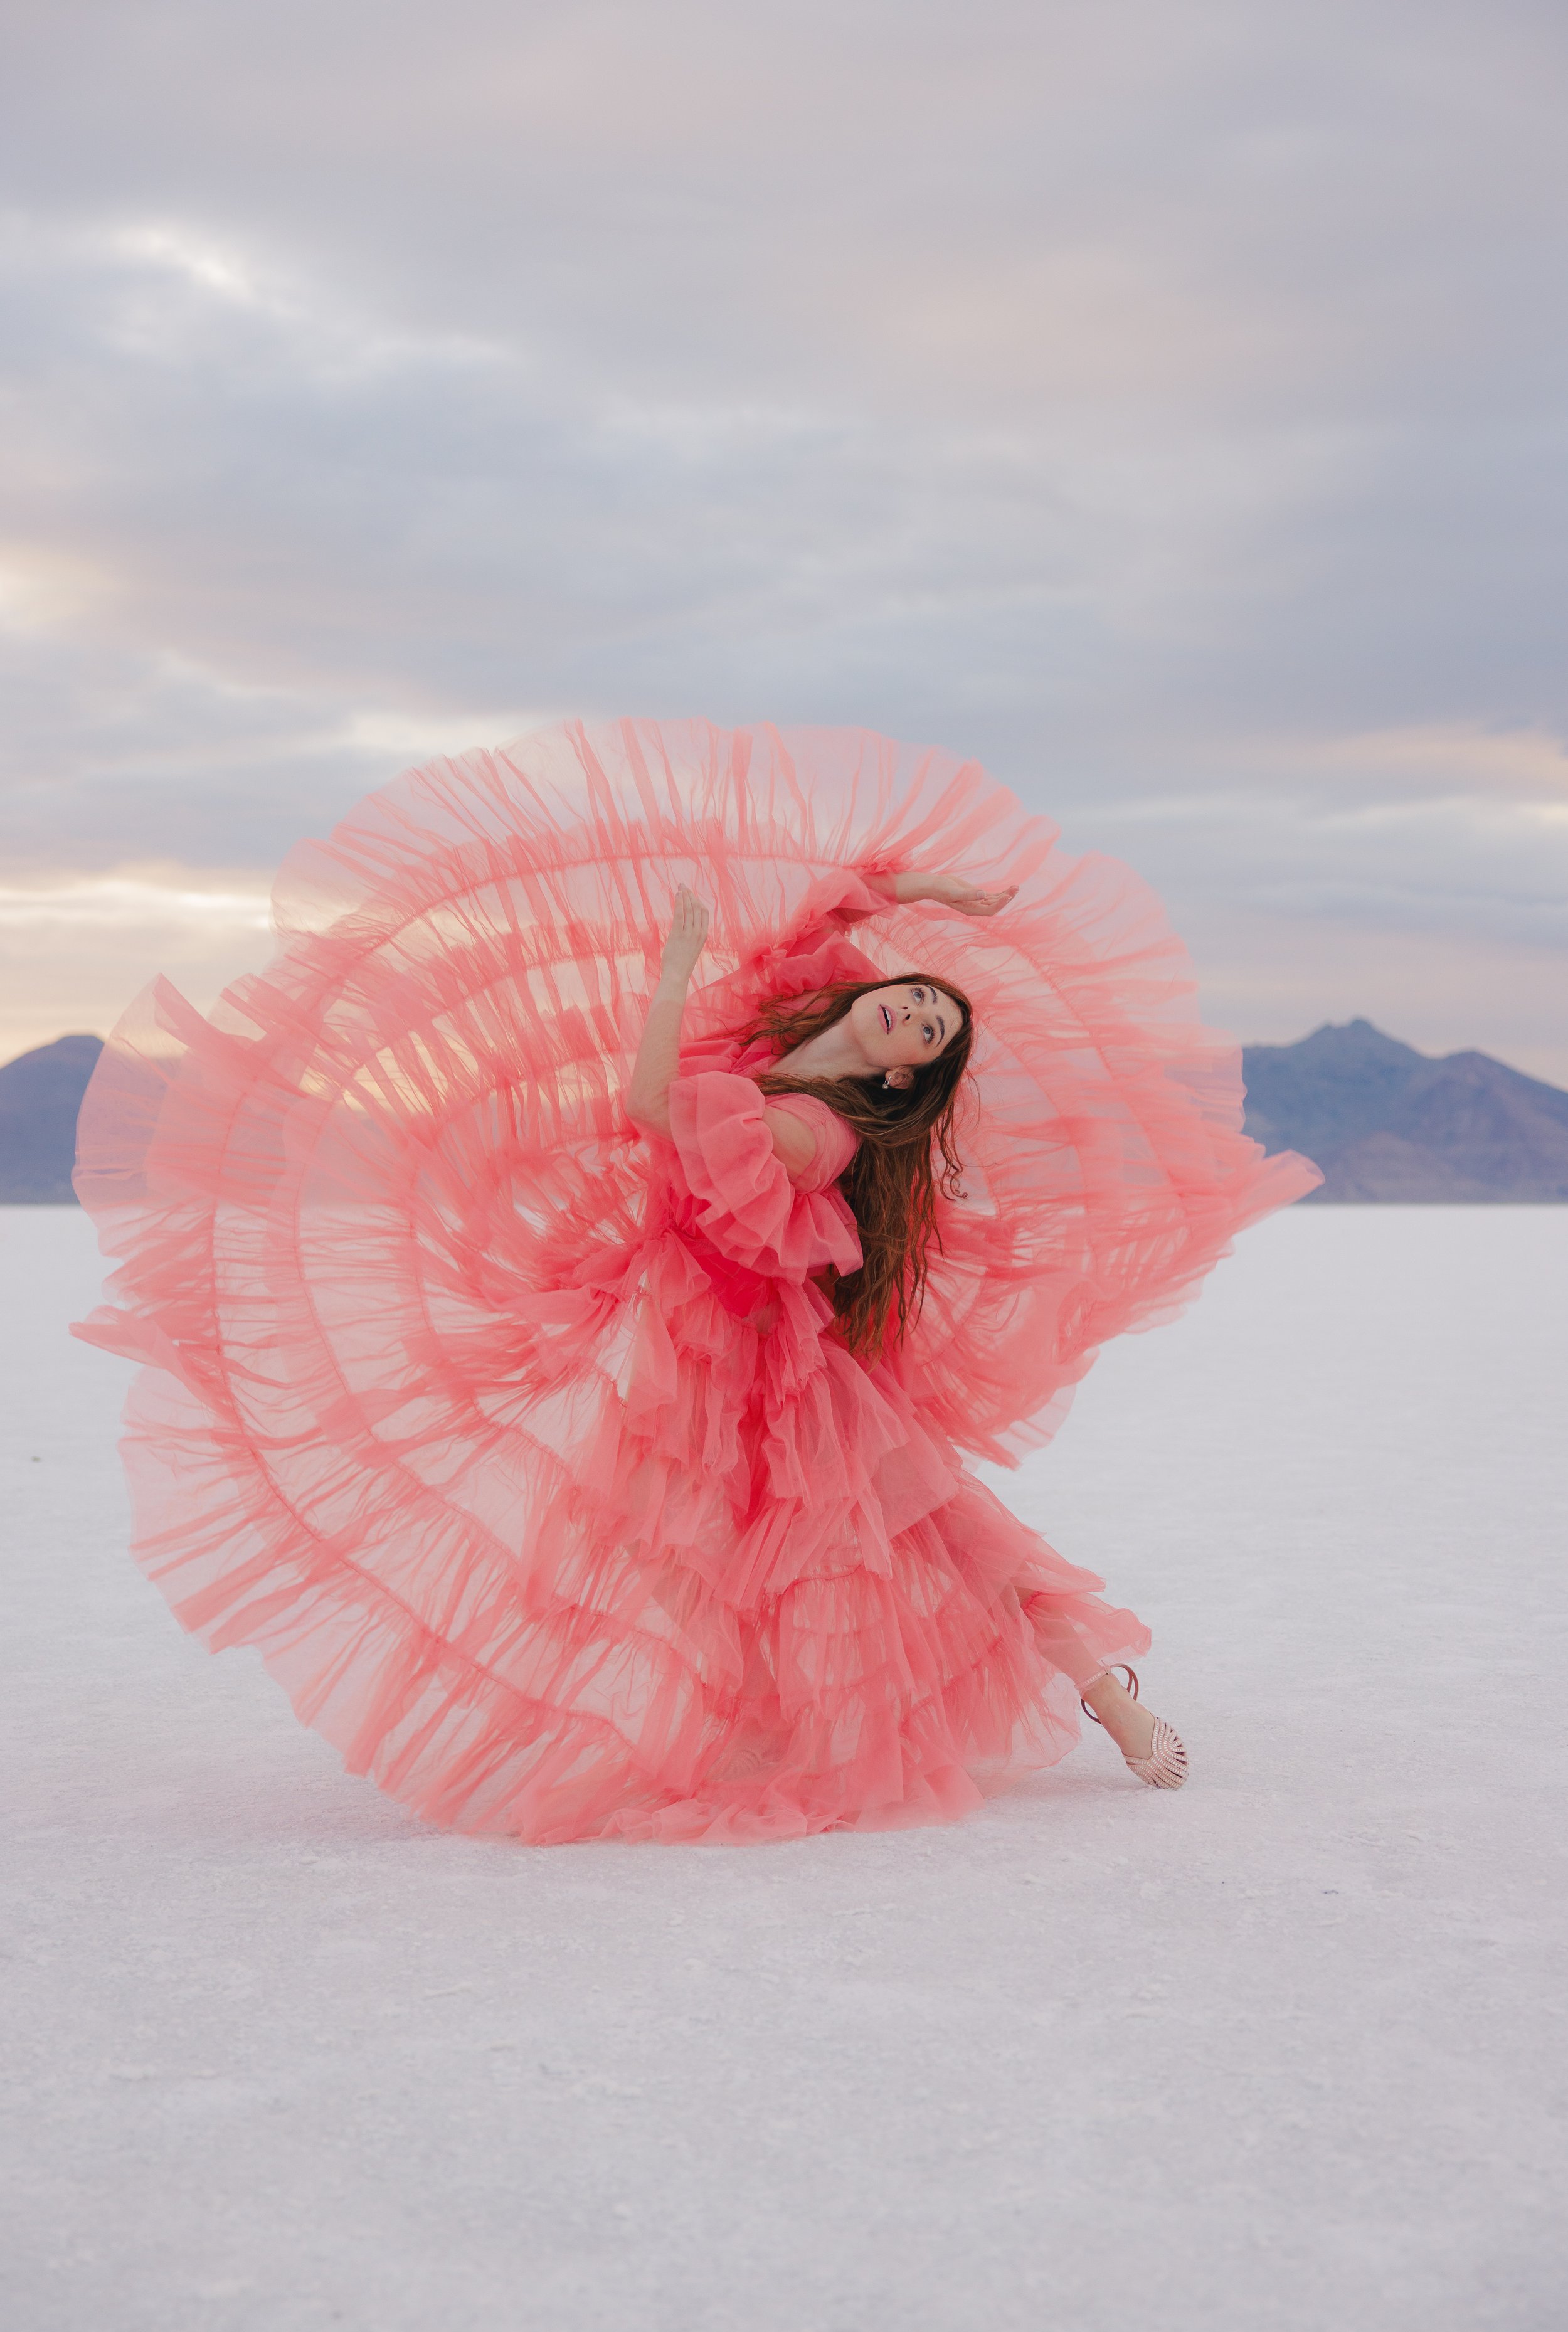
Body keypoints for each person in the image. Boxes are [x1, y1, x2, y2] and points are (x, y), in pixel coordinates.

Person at [73, 718, 1319, 1844]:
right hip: (675, 1350)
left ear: (903, 1086)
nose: (917, 1025)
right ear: (873, 994)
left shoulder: (817, 1127)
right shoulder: (777, 1030)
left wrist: (673, 972)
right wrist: (929, 891)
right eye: (913, 1003)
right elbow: (825, 919)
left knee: (951, 1532)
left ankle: (1111, 1700)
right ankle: (737, 1727)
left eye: (933, 1039)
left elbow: (649, 1103)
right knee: (683, 1560)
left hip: (775, 1372)